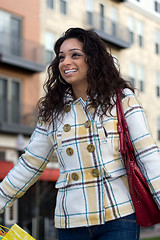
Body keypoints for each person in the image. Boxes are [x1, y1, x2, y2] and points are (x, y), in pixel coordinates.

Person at [0, 27, 160, 240]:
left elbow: (147, 155)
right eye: (61, 57)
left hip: (118, 216)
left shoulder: (122, 100)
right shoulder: (52, 111)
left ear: (93, 60)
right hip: (70, 222)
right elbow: (30, 164)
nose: (66, 62)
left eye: (75, 55)